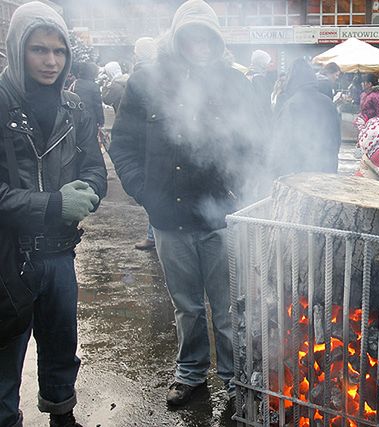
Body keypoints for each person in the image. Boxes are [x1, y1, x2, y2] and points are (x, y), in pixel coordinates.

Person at [108, 0, 262, 408]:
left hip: (222, 219)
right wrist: (147, 194)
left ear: (217, 40)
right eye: (190, 35)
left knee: (228, 309)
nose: (199, 44)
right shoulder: (146, 81)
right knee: (187, 306)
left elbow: (255, 147)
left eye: (206, 35)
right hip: (169, 217)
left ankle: (232, 379)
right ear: (176, 38)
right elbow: (121, 145)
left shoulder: (236, 83)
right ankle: (191, 373)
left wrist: (242, 195)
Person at [0, 2, 107, 427]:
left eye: (59, 51)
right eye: (39, 50)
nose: (50, 61)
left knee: (62, 344)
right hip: (8, 256)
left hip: (60, 253)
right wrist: (53, 204)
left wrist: (91, 192)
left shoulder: (75, 106)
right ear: (17, 48)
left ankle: (63, 417)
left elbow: (95, 167)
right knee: (5, 350)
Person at [270, 58, 341, 178]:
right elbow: (336, 140)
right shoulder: (328, 102)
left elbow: (281, 143)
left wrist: (274, 171)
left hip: (299, 174)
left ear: (292, 80)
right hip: (327, 170)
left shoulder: (291, 105)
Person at [131, 37, 158, 251]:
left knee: (154, 192)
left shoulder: (143, 75)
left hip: (148, 143)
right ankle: (153, 234)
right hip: (149, 142)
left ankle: (153, 234)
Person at [70, 62, 104, 133]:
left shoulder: (75, 83)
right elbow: (98, 105)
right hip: (90, 118)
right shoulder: (94, 86)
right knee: (89, 139)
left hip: (76, 116)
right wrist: (101, 121)